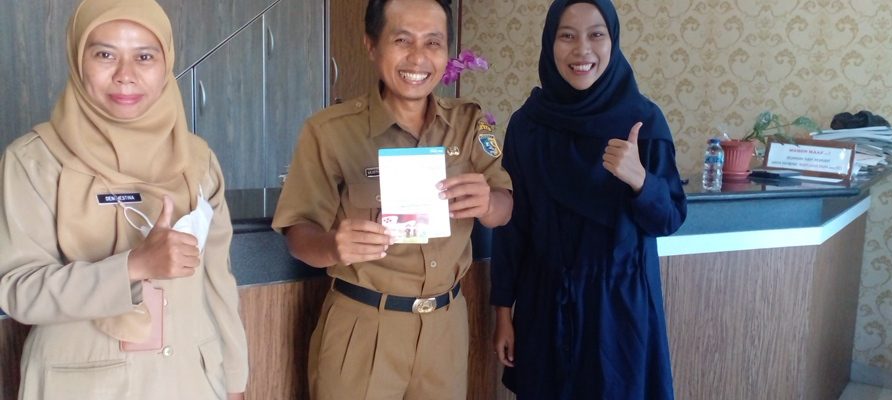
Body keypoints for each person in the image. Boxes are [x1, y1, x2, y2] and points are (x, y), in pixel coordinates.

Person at [0, 0, 248, 399]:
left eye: (145, 57)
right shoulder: (34, 161)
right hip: (80, 386)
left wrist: (234, 382)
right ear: (78, 60)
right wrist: (132, 266)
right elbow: (18, 290)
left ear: (165, 64)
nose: (125, 75)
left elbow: (218, 282)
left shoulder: (197, 160)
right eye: (105, 55)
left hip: (191, 381)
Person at [270, 0, 513, 398]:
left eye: (433, 42)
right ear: (372, 45)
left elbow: (505, 209)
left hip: (446, 328)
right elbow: (299, 233)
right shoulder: (329, 131)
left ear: (447, 51)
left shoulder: (469, 123)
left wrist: (489, 204)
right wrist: (333, 246)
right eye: (402, 40)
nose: (418, 57)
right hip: (364, 327)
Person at [490, 0, 686, 398]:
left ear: (613, 41)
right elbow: (514, 227)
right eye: (567, 36)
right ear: (550, 43)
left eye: (597, 35)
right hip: (544, 302)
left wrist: (640, 180)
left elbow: (669, 218)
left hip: (619, 310)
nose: (582, 50)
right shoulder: (528, 125)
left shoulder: (643, 121)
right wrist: (503, 312)